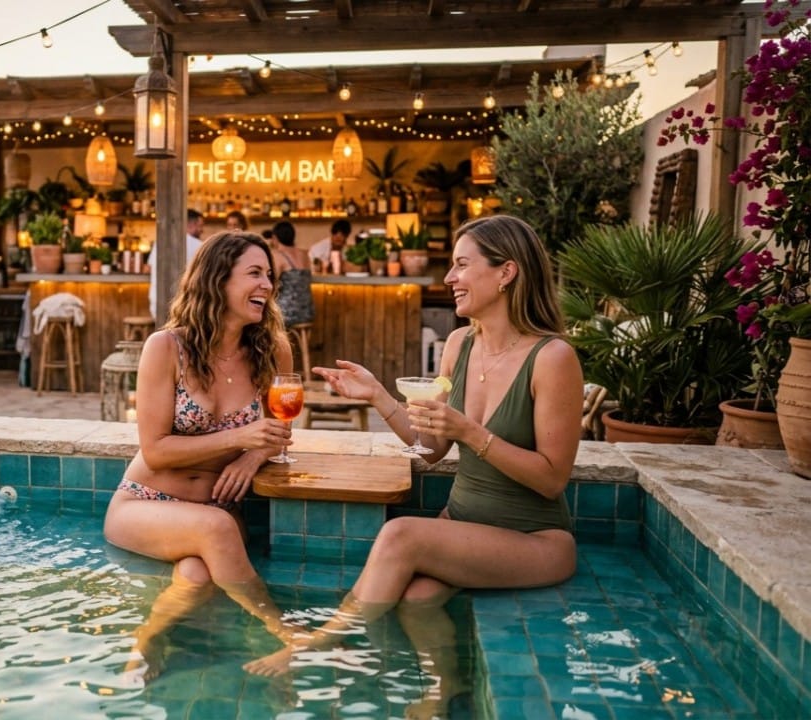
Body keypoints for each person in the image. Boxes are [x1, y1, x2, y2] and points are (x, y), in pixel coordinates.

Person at [246, 215, 583, 715]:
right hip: (463, 530)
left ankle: (323, 642)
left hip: (535, 540)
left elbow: (552, 478)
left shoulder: (553, 357)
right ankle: (445, 690)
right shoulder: (460, 345)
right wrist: (378, 396)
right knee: (416, 598)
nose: (448, 278)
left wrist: (472, 432)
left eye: (462, 265)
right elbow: (430, 448)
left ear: (506, 272)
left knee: (401, 535)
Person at [106, 231, 298, 684]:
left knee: (194, 576)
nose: (267, 285)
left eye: (269, 275)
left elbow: (281, 429)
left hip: (215, 509)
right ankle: (285, 634)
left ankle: (146, 642)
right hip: (144, 502)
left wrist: (253, 456)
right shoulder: (166, 348)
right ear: (217, 280)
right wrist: (242, 438)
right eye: (254, 273)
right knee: (214, 529)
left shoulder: (273, 349)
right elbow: (155, 450)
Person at [148, 208, 206, 316]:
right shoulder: (200, 246)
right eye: (200, 225)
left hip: (156, 305)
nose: (202, 230)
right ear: (191, 224)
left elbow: (149, 268)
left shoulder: (160, 241)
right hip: (186, 308)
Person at [270, 221, 314, 326]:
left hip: (286, 313)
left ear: (275, 238)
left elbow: (271, 282)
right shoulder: (304, 254)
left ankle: (273, 342)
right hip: (308, 311)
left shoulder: (278, 256)